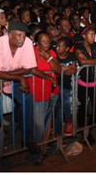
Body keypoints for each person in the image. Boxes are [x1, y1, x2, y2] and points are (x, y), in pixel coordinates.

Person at [0, 20, 42, 159]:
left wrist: (14, 77)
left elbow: (28, 68)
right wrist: (20, 78)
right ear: (9, 34)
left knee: (27, 99)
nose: (22, 39)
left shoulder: (26, 42)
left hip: (11, 77)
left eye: (24, 35)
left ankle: (28, 139)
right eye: (18, 35)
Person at [29, 31, 61, 163]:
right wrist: (48, 76)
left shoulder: (52, 53)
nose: (47, 43)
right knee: (39, 125)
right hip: (37, 93)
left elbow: (58, 70)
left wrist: (48, 58)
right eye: (44, 41)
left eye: (48, 40)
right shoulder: (31, 52)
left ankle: (41, 151)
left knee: (46, 124)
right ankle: (37, 154)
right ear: (36, 42)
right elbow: (32, 70)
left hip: (51, 93)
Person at [75, 26, 96, 145]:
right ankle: (83, 134)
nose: (93, 37)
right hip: (83, 83)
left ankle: (88, 130)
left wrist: (88, 61)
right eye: (90, 35)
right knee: (82, 109)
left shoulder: (95, 46)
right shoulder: (78, 47)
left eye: (94, 35)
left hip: (94, 82)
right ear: (84, 36)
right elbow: (82, 62)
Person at [55, 37, 77, 137]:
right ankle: (68, 122)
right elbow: (55, 71)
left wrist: (67, 70)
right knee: (65, 103)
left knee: (60, 110)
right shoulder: (55, 56)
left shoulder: (71, 55)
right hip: (56, 86)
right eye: (57, 45)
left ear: (67, 48)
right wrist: (62, 70)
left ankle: (58, 133)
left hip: (67, 86)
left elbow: (74, 70)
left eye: (60, 46)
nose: (57, 48)